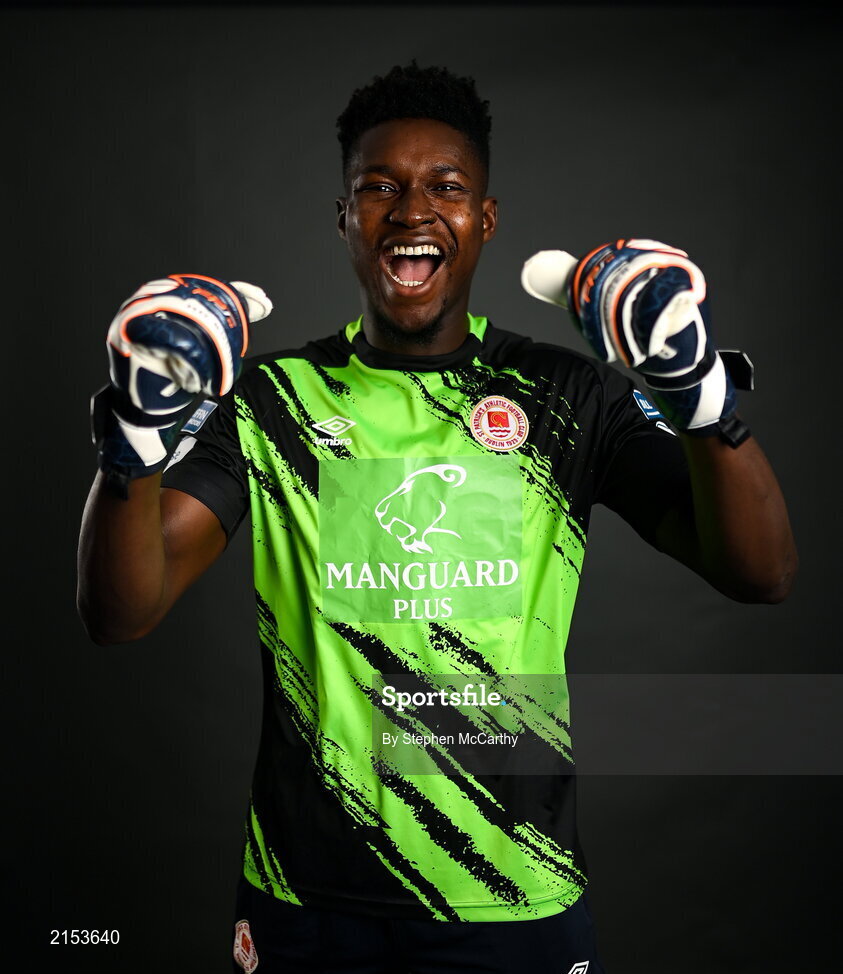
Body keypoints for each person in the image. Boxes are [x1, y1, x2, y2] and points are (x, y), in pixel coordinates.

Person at [77, 63, 797, 974]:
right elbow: (119, 613)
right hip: (307, 900)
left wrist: (699, 402)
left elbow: (762, 573)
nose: (411, 210)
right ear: (344, 219)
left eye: (445, 188)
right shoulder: (273, 400)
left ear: (483, 221)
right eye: (378, 188)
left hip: (512, 894)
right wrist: (134, 445)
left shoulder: (566, 393)